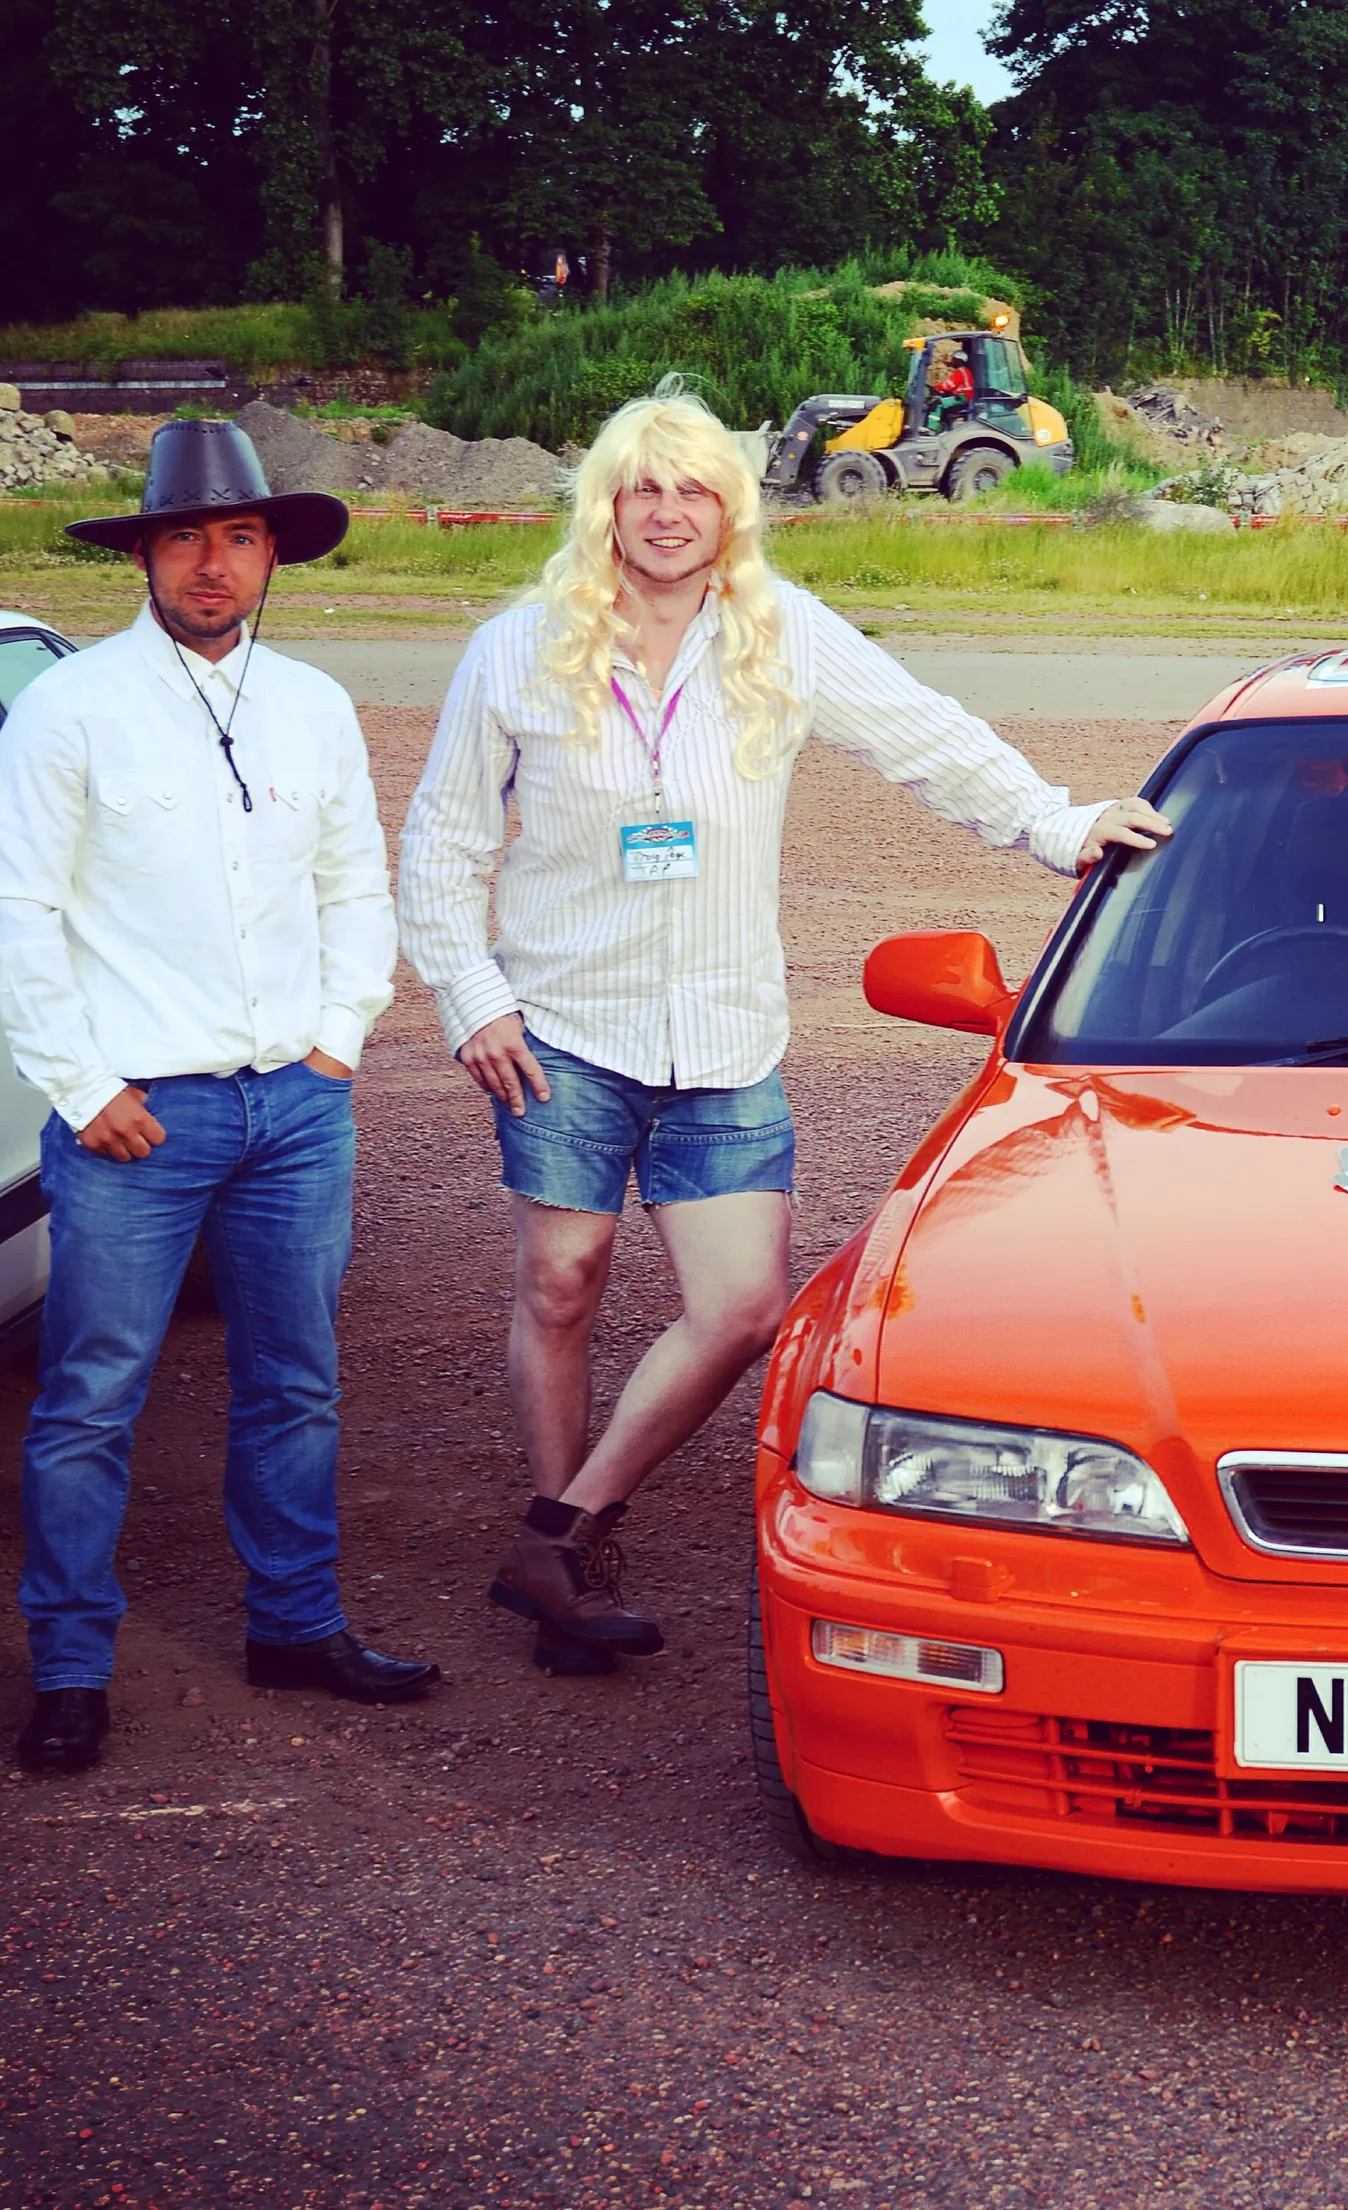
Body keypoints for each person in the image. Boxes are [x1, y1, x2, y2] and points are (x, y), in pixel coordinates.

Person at [397, 386, 1170, 1676]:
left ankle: (561, 1523)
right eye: (645, 489)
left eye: (695, 490)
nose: (668, 514)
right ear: (607, 505)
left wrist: (1056, 821)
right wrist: (474, 1000)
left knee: (746, 1303)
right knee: (560, 1281)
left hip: (725, 1036)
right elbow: (442, 844)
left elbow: (927, 739)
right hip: (563, 1031)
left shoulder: (780, 635)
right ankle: (571, 1567)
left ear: (732, 511)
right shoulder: (517, 650)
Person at [0, 420, 438, 1773]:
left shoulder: (309, 703)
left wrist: (340, 1039)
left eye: (238, 535)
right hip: (139, 1118)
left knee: (294, 1382)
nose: (211, 561)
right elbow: (19, 909)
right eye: (183, 534)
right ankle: (71, 1664)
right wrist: (81, 1085)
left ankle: (296, 1625)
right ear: (141, 550)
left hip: (295, 1110)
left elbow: (356, 885)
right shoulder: (70, 708)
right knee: (91, 1395)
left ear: (270, 554)